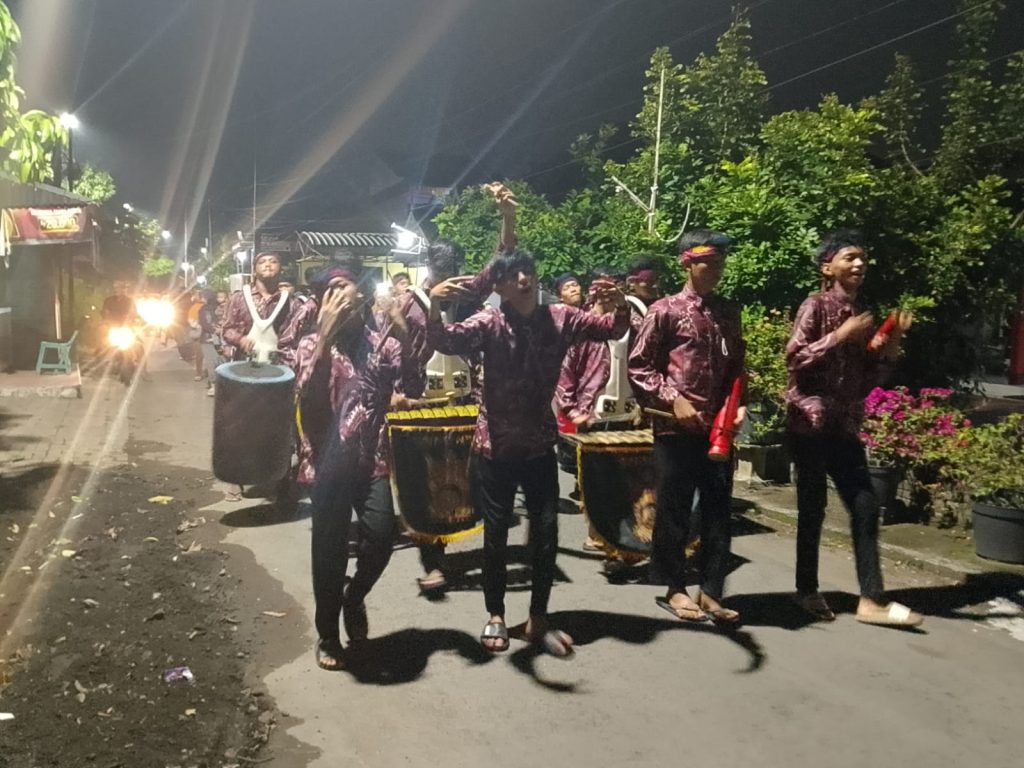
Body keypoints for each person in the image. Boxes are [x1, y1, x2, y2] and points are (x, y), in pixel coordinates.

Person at [428, 248, 631, 657]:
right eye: (514, 273)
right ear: (500, 285)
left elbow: (610, 329)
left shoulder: (561, 317)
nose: (525, 278)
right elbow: (443, 340)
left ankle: (538, 617)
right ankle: (497, 614)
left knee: (546, 534)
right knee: (497, 536)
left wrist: (621, 306)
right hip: (496, 447)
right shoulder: (489, 321)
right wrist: (434, 302)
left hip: (539, 444)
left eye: (529, 271)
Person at [786, 229, 922, 628]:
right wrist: (838, 336)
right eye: (850, 257)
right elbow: (794, 360)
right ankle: (806, 590)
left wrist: (889, 350)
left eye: (862, 258)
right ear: (828, 267)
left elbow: (863, 382)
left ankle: (870, 599)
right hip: (808, 424)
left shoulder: (863, 315)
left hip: (843, 426)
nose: (859, 264)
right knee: (813, 509)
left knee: (864, 506)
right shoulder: (814, 306)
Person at [295, 267, 421, 671]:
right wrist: (325, 336)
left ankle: (354, 597)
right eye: (329, 290)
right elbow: (306, 399)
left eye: (344, 286)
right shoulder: (309, 344)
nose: (339, 294)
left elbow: (413, 386)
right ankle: (329, 634)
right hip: (327, 466)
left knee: (383, 537)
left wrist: (404, 337)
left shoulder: (379, 343)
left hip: (372, 461)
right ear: (320, 303)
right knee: (328, 554)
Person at [396, 184, 515, 595]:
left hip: (466, 403)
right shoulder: (406, 303)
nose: (449, 278)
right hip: (420, 406)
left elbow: (501, 262)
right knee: (425, 485)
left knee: (468, 482)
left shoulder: (470, 294)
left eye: (454, 270)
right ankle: (435, 561)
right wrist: (396, 395)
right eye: (440, 271)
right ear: (428, 268)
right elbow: (394, 353)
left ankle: (474, 550)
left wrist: (508, 217)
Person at [628, 230, 746, 625]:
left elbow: (736, 368)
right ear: (687, 263)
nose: (715, 270)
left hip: (717, 430)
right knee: (675, 511)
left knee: (717, 511)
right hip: (675, 430)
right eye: (706, 263)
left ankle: (711, 591)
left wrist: (739, 406)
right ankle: (675, 588)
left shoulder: (729, 311)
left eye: (719, 263)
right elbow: (639, 366)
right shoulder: (664, 310)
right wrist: (671, 398)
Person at [220, 252, 316, 370]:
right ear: (254, 270)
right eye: (262, 262)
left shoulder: (292, 303)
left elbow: (299, 336)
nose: (268, 264)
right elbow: (226, 329)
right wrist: (240, 339)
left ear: (280, 269)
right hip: (244, 365)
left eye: (273, 261)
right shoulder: (239, 298)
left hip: (278, 368)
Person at [197, 290, 222, 396]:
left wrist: (215, 331)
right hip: (217, 339)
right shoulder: (220, 307)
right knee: (216, 363)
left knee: (214, 363)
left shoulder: (204, 309)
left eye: (203, 296)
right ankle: (215, 385)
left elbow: (204, 323)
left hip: (210, 339)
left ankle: (214, 385)